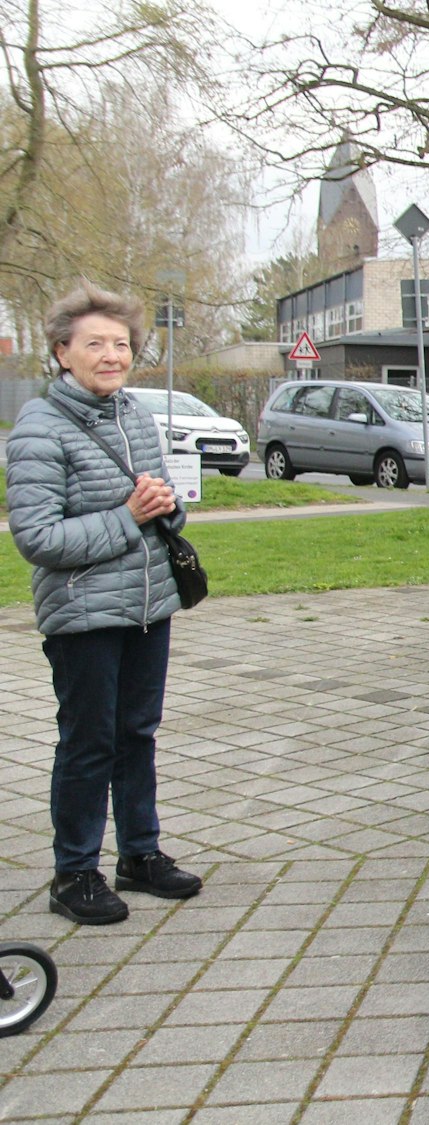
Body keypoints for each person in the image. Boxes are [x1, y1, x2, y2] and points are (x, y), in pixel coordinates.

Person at [6, 283, 204, 926]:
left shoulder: (134, 415)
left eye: (121, 344)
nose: (112, 355)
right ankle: (74, 873)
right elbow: (37, 538)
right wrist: (127, 517)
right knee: (88, 742)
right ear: (62, 352)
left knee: (137, 735)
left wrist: (165, 507)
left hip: (148, 605)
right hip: (82, 613)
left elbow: (161, 505)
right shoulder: (39, 427)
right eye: (95, 344)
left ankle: (139, 855)